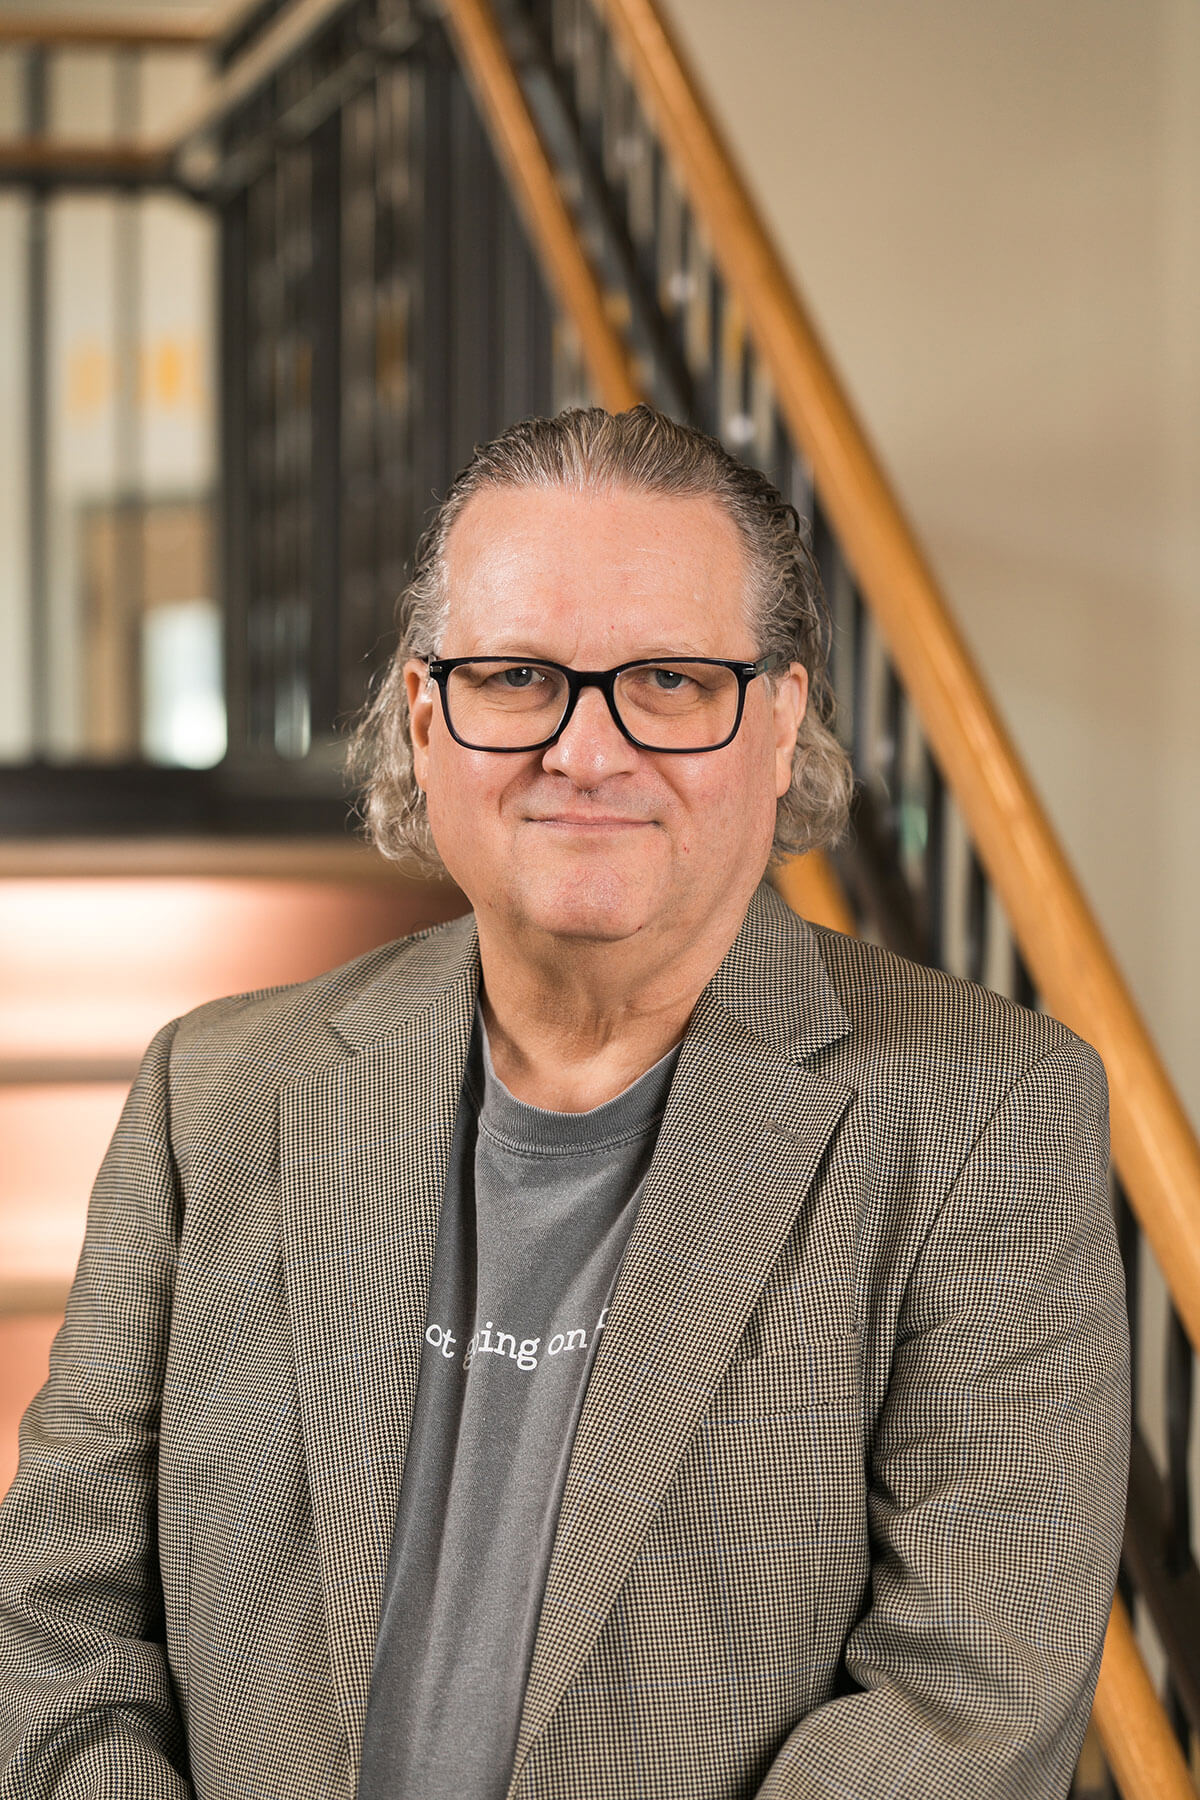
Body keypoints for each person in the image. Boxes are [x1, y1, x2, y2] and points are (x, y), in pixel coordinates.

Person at [0, 406, 1128, 1800]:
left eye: (670, 680)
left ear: (781, 724)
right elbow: (49, 1626)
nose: (587, 754)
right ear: (427, 718)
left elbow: (966, 1704)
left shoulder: (989, 1115)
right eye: (518, 677)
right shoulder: (214, 1093)